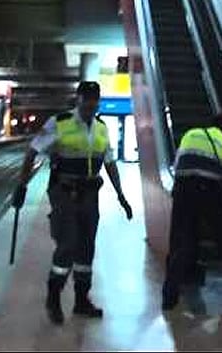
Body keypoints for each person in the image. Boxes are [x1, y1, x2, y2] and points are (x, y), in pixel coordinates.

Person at [11, 81, 133, 325]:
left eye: (94, 99)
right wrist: (22, 186)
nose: (90, 103)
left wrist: (121, 195)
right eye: (86, 98)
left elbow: (109, 162)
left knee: (86, 248)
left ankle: (81, 300)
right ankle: (53, 297)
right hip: (64, 192)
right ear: (78, 99)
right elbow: (32, 151)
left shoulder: (100, 128)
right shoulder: (60, 122)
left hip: (90, 194)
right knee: (67, 244)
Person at [161, 114, 222, 311]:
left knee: (180, 241)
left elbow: (177, 163)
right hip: (211, 190)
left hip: (183, 187)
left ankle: (169, 296)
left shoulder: (190, 134)